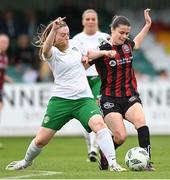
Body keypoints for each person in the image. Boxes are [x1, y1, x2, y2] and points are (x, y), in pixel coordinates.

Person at [5, 17, 126, 172]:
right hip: (61, 100)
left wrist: (104, 53)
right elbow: (46, 48)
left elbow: (87, 58)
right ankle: (26, 161)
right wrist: (53, 29)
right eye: (62, 34)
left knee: (100, 125)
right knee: (41, 140)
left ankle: (113, 163)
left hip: (83, 100)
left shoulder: (75, 46)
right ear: (54, 36)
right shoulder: (51, 52)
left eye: (67, 33)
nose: (66, 37)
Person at [87, 9, 155, 171]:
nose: (124, 36)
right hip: (110, 99)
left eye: (127, 33)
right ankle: (104, 155)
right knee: (121, 136)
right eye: (121, 33)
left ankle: (146, 161)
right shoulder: (103, 49)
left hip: (130, 96)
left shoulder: (127, 45)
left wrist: (147, 25)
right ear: (112, 30)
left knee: (141, 122)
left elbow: (136, 42)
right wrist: (103, 52)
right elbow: (87, 58)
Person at [72, 9, 109, 162]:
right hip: (82, 78)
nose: (90, 21)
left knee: (97, 111)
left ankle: (94, 148)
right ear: (83, 21)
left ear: (97, 20)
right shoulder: (76, 39)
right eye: (87, 19)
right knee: (86, 115)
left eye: (93, 19)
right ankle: (91, 148)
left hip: (99, 78)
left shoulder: (104, 37)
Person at [0, 34, 13, 149]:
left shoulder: (4, 56)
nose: (4, 45)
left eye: (6, 43)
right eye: (2, 42)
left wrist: (8, 79)